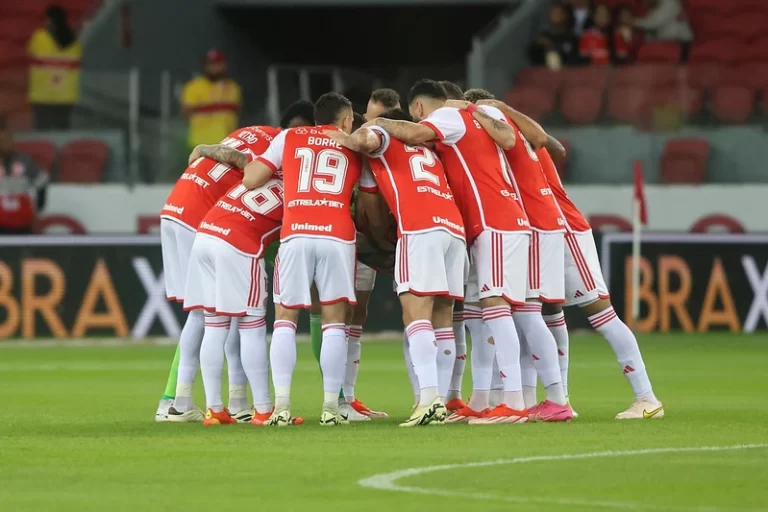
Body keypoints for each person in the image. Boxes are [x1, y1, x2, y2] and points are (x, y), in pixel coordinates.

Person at [368, 79, 532, 425]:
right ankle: (479, 399)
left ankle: (514, 402)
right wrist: (476, 109)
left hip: (492, 220)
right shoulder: (479, 116)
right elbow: (510, 138)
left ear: (419, 108)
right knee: (486, 311)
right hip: (486, 222)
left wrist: (380, 121)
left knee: (495, 307)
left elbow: (412, 136)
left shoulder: (446, 118)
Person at [155, 100, 315, 423]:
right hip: (213, 223)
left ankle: (220, 405)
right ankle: (181, 401)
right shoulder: (286, 159)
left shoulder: (250, 131)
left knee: (210, 317)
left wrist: (202, 146)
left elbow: (231, 155)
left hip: (180, 211)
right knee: (226, 318)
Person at [326, 108, 468, 427]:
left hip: (419, 230)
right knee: (443, 317)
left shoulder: (385, 137)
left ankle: (428, 399)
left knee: (415, 315)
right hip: (453, 231)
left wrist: (350, 137)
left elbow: (366, 139)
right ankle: (442, 402)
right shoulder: (429, 148)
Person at [242, 92, 362, 427]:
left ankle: (280, 407)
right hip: (337, 234)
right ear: (345, 120)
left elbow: (251, 178)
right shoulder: (354, 143)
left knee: (284, 319)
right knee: (335, 321)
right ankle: (330, 407)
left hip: (295, 233)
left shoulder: (289, 136)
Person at [463, 89, 573, 423]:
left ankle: (554, 397)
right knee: (528, 313)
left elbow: (542, 143)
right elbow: (552, 144)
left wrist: (483, 110)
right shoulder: (520, 131)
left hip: (532, 222)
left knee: (527, 314)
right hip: (539, 221)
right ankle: (534, 397)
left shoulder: (502, 130)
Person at [536, 143, 664, 420]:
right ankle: (560, 401)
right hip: (543, 232)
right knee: (550, 311)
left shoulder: (515, 137)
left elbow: (552, 146)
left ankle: (647, 398)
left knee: (601, 313)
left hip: (564, 228)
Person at [183, 172, 286, 426]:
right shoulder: (298, 188)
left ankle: (214, 409)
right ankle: (263, 411)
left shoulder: (262, 171)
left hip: (205, 236)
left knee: (214, 327)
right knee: (252, 328)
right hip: (238, 246)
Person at [27, 6, 81, 130]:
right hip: (65, 96)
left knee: (42, 136)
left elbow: (30, 52)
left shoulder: (39, 37)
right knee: (62, 135)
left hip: (42, 96)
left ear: (49, 20)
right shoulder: (75, 41)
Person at [181, 49, 242, 154]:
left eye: (218, 64)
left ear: (224, 65)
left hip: (228, 145)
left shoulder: (233, 88)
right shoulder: (194, 87)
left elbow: (237, 113)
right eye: (211, 64)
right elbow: (185, 113)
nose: (214, 68)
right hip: (200, 145)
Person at [0, 120, 48, 234]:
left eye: (7, 140)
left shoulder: (24, 160)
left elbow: (42, 180)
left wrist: (39, 205)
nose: (4, 144)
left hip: (21, 221)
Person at [529, 3, 580, 69]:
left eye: (557, 13)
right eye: (552, 12)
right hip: (544, 74)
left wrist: (550, 45)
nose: (553, 15)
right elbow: (534, 58)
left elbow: (572, 60)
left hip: (567, 74)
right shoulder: (544, 36)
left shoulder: (573, 38)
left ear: (566, 15)